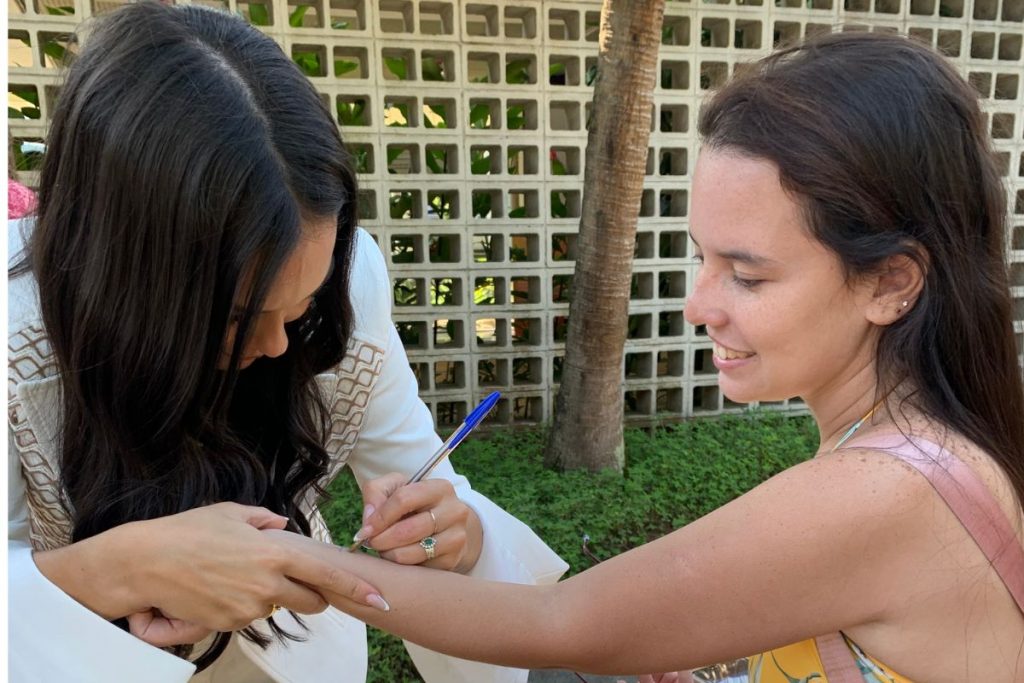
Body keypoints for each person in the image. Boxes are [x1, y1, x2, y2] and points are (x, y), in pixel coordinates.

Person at [264, 30, 1024, 683]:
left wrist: (273, 564)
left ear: (891, 282)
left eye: (748, 274)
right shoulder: (919, 451)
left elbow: (558, 620)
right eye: (702, 259)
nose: (699, 305)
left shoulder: (887, 486)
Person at [7, 3, 567, 682]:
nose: (278, 344)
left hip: (297, 656)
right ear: (132, 276)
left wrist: (455, 536)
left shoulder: (347, 282)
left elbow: (424, 478)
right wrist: (123, 568)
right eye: (241, 314)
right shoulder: (17, 334)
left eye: (298, 307)